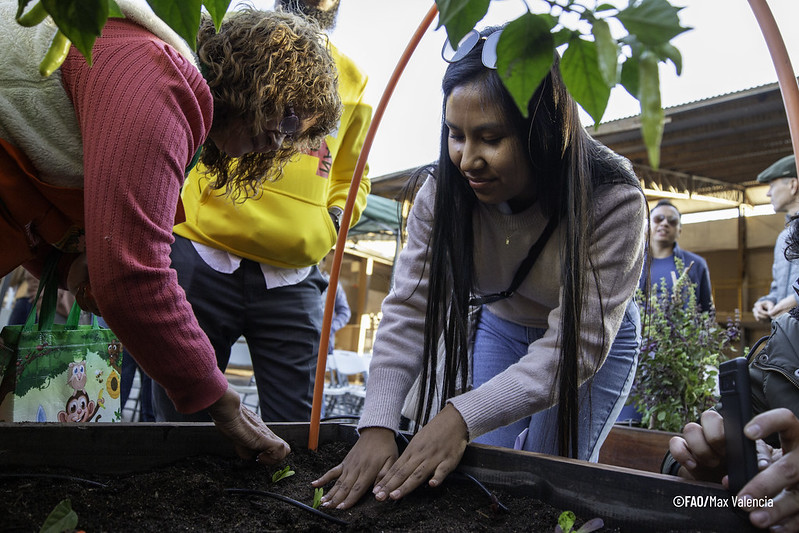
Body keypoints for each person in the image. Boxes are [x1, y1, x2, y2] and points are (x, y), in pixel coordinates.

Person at [312, 26, 646, 509]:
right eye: (455, 134)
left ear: (542, 131)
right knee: (487, 475)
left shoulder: (611, 198)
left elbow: (577, 343)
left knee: (550, 483)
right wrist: (378, 426)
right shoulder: (441, 195)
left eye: (490, 138)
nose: (467, 160)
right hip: (502, 326)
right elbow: (409, 310)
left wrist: (459, 416)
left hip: (586, 346)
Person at [0, 0, 341, 463]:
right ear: (260, 78)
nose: (278, 143)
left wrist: (67, 267)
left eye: (293, 136)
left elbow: (30, 181)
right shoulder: (158, 81)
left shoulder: (154, 80)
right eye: (283, 120)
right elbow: (131, 277)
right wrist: (221, 402)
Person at [153, 0, 371, 423]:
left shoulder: (354, 80)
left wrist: (330, 222)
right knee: (183, 420)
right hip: (201, 252)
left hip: (292, 275)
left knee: (296, 428)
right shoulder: (233, 42)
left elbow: (354, 176)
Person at [638, 199, 713, 312]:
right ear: (647, 225)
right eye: (658, 219)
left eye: (672, 221)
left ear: (679, 230)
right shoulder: (633, 263)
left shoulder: (696, 265)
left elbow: (706, 310)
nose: (664, 223)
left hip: (681, 329)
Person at [753, 155, 799, 322]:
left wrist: (796, 301)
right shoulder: (783, 238)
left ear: (793, 185)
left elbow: (793, 299)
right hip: (790, 338)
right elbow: (779, 289)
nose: (768, 193)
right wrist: (768, 302)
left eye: (772, 185)